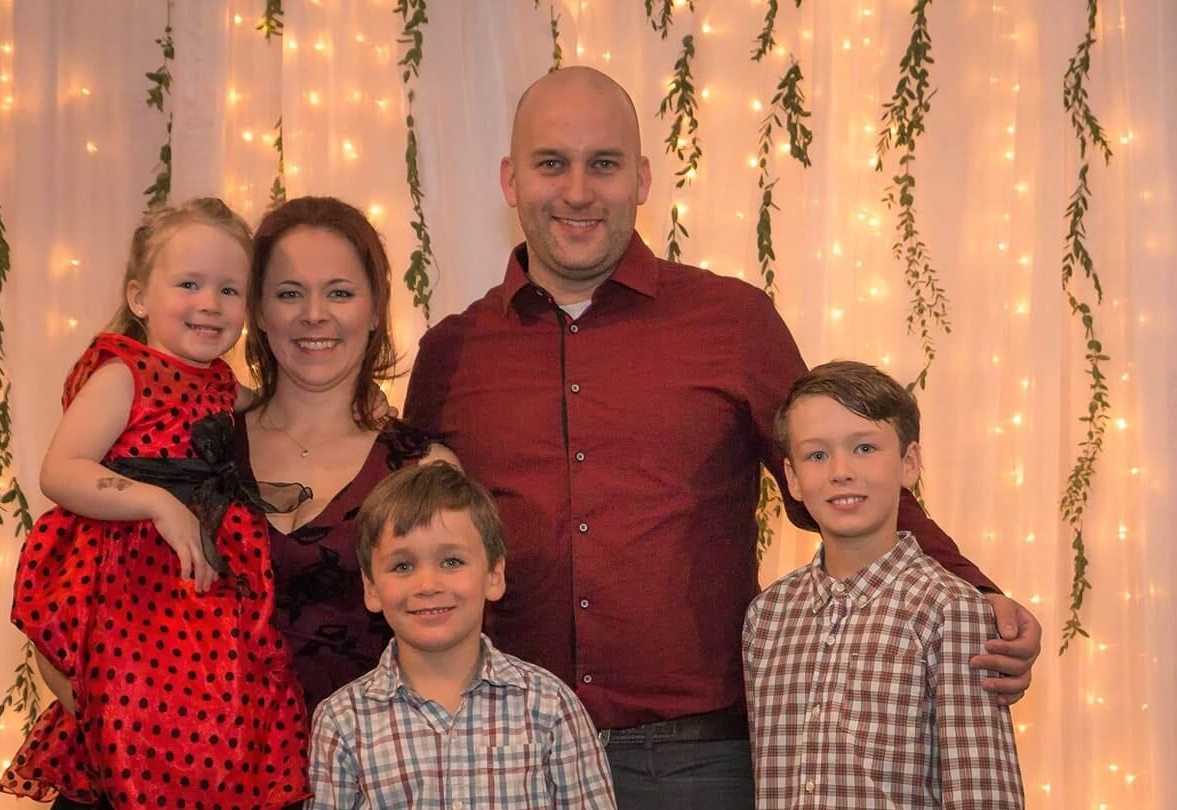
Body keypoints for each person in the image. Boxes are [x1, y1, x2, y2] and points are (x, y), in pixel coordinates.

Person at [402, 66, 1042, 807]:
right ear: (511, 180)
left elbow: (835, 477)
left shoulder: (732, 321)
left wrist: (975, 593)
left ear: (642, 178)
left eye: (603, 164)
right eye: (552, 164)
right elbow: (407, 533)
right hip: (500, 753)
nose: (577, 191)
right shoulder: (452, 353)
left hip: (697, 761)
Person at [0, 198, 311, 810]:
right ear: (139, 298)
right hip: (131, 579)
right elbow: (60, 470)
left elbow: (280, 409)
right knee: (132, 711)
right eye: (189, 284)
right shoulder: (123, 374)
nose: (210, 302)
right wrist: (158, 504)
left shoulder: (220, 382)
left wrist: (359, 406)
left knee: (221, 710)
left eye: (229, 290)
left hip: (202, 588)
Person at [745, 361, 1024, 809]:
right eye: (817, 455)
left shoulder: (951, 610)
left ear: (908, 463)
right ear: (792, 479)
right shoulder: (768, 616)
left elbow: (983, 793)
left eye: (864, 448)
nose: (840, 471)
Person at [234, 196, 457, 712]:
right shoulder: (194, 446)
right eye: (289, 294)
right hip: (192, 759)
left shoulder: (423, 469)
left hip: (364, 761)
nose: (314, 314)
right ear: (259, 312)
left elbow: (454, 660)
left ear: (375, 309)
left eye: (339, 292)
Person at [306, 462, 616, 809]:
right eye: (403, 566)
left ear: (493, 575)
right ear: (371, 587)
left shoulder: (551, 706)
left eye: (451, 561)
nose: (428, 585)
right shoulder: (341, 722)